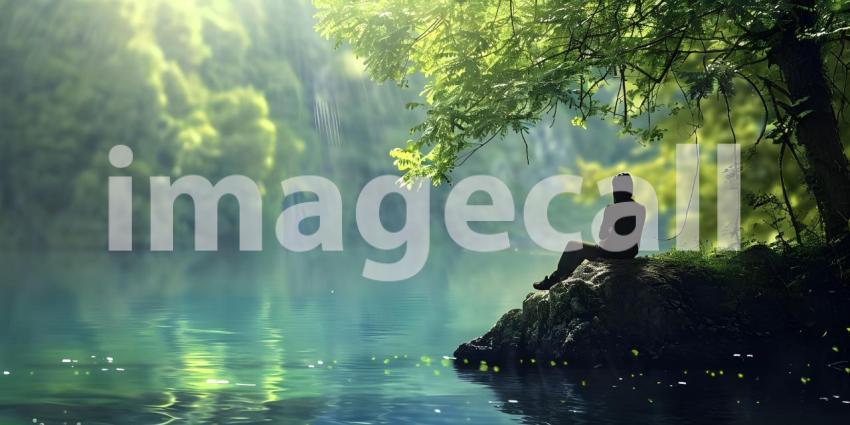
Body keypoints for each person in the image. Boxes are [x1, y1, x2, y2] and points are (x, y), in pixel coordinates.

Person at [533, 172, 646, 290]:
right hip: (631, 252)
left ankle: (555, 279)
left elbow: (602, 235)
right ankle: (565, 276)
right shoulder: (640, 209)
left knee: (573, 246)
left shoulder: (612, 209)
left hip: (612, 253)